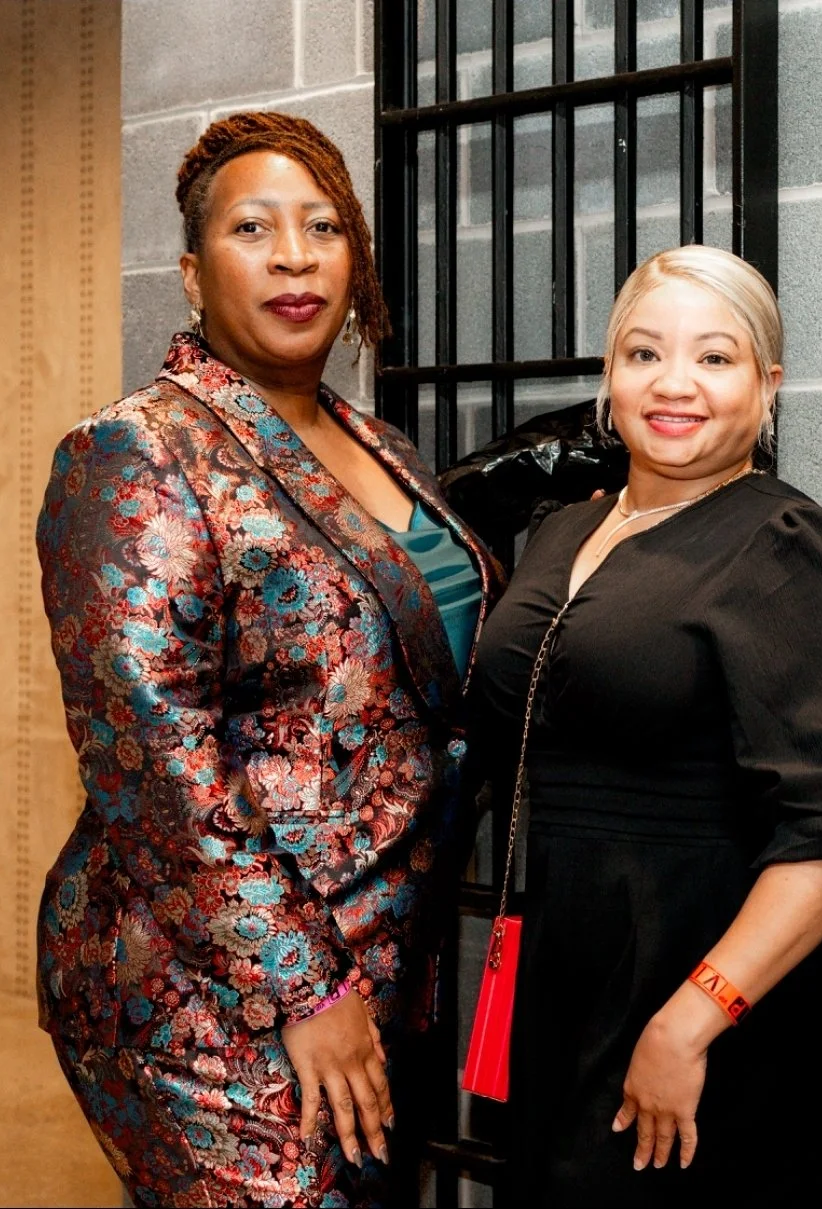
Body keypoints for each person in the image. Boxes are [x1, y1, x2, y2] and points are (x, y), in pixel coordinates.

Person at [35, 111, 498, 1207]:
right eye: (256, 228)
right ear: (193, 276)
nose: (296, 255)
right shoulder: (134, 449)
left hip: (382, 967)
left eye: (324, 226)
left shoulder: (377, 443)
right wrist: (303, 989)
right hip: (207, 997)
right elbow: (152, 760)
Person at [471, 245, 822, 1206]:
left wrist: (690, 1021)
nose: (673, 384)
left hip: (703, 1004)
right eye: (642, 353)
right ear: (607, 375)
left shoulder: (787, 544)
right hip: (564, 985)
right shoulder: (562, 533)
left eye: (715, 358)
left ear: (768, 384)